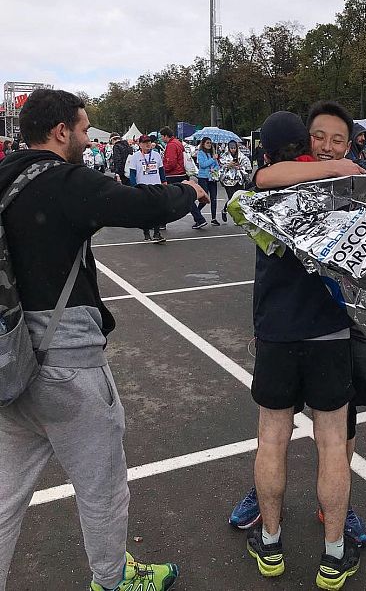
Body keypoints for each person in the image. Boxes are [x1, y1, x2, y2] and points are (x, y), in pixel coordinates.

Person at [0, 89, 208, 591]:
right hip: (66, 364)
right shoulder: (62, 181)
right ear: (60, 131)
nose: (87, 137)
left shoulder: (4, 175)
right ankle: (112, 581)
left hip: (7, 360)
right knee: (102, 489)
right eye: (84, 127)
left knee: (4, 499)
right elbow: (139, 205)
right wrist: (190, 193)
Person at [240, 108, 366, 588]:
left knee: (274, 438)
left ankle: (271, 544)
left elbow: (265, 174)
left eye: (337, 140)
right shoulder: (332, 182)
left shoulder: (276, 184)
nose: (329, 147)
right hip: (325, 333)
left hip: (279, 331)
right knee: (331, 444)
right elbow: (268, 174)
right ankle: (333, 554)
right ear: (307, 143)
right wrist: (337, 167)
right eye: (319, 138)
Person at [160, 126, 207, 229]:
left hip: (173, 175)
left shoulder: (171, 145)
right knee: (187, 198)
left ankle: (162, 222)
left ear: (165, 136)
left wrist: (163, 169)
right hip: (181, 173)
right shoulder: (178, 143)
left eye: (161, 136)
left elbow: (171, 162)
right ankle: (199, 219)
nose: (161, 139)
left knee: (167, 199)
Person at [128, 135, 167, 241]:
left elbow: (161, 170)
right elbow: (132, 174)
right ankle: (146, 233)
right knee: (146, 212)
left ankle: (157, 233)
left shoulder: (157, 155)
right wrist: (134, 187)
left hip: (156, 186)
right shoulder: (135, 157)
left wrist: (164, 182)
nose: (147, 144)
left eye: (149, 142)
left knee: (158, 210)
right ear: (140, 144)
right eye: (145, 142)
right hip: (143, 187)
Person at [219, 139, 252, 222]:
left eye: (234, 148)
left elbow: (248, 167)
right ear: (228, 148)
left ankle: (237, 217)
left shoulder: (242, 156)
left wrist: (240, 167)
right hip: (228, 181)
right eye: (231, 148)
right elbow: (220, 168)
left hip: (239, 180)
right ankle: (225, 211)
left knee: (239, 199)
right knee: (231, 199)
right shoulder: (224, 156)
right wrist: (228, 165)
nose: (233, 149)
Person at [197, 137, 221, 226]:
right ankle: (197, 213)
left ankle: (214, 218)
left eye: (210, 143)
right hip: (203, 178)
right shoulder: (200, 153)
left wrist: (214, 168)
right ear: (203, 144)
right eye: (207, 143)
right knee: (204, 197)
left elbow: (217, 166)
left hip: (212, 178)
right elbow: (202, 165)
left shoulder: (212, 154)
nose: (209, 144)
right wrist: (212, 159)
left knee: (213, 198)